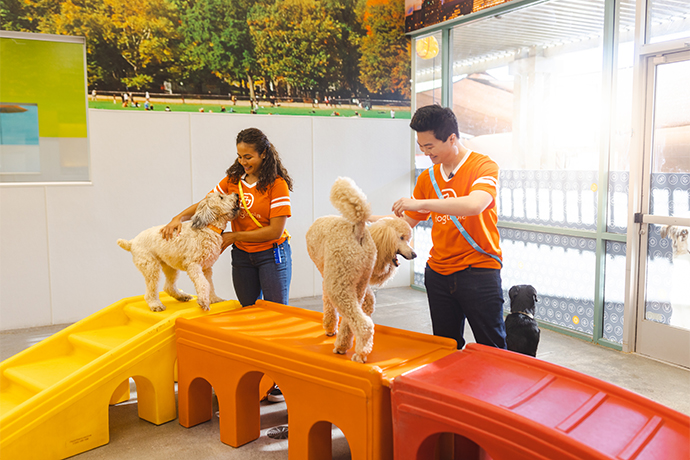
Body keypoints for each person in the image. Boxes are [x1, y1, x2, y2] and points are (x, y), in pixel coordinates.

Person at [392, 105, 506, 350]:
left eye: (430, 146)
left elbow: (476, 204)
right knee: (445, 348)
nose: (424, 153)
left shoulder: (483, 166)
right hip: (438, 274)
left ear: (452, 138)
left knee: (493, 349)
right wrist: (365, 219)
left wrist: (421, 202)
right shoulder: (427, 178)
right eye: (421, 147)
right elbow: (404, 224)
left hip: (479, 271)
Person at [161, 127, 293, 309]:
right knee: (248, 309)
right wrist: (178, 218)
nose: (243, 162)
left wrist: (233, 236)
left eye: (248, 157)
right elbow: (207, 203)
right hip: (242, 256)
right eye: (240, 156)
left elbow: (274, 231)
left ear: (263, 154)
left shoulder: (277, 185)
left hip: (271, 254)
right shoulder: (233, 180)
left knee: (276, 311)